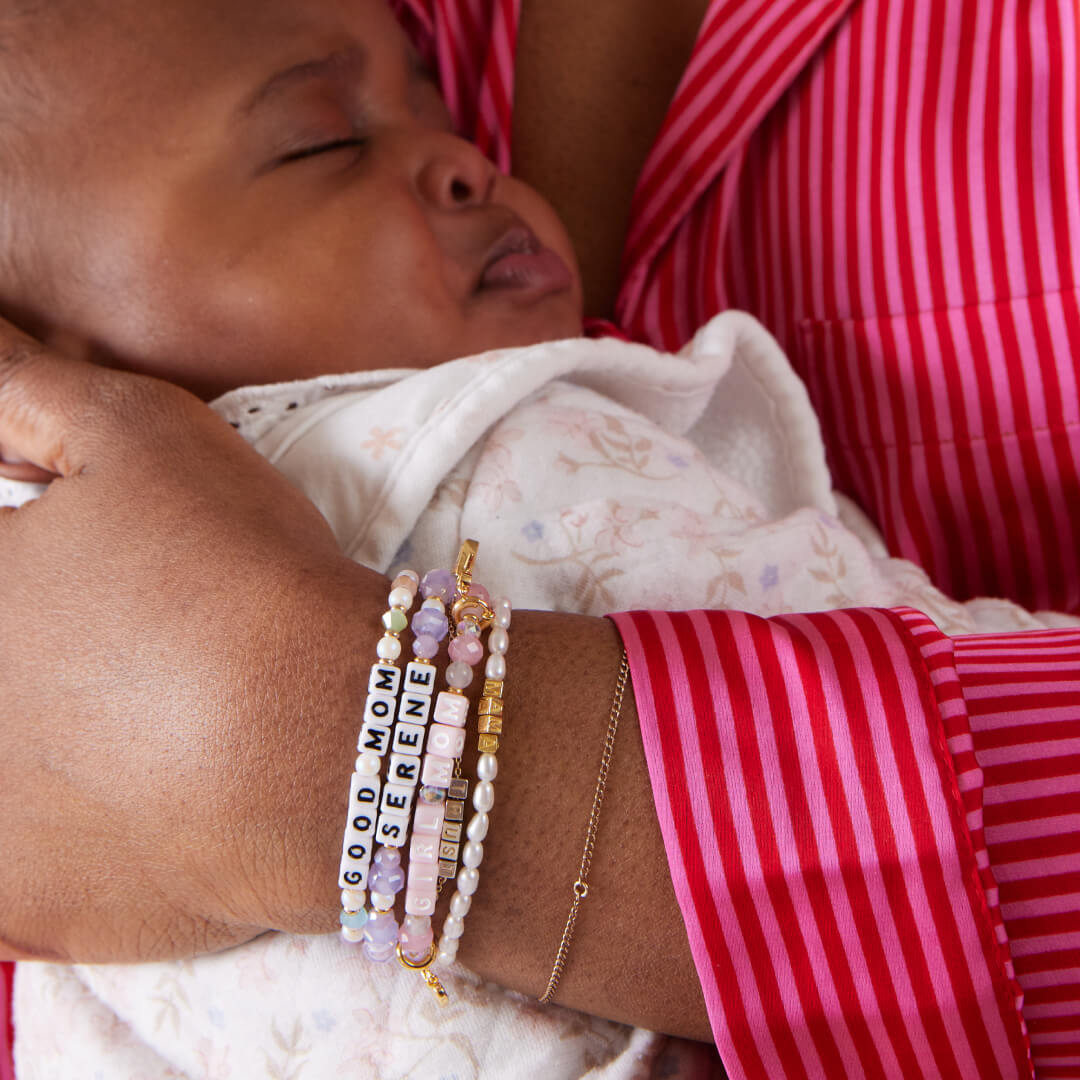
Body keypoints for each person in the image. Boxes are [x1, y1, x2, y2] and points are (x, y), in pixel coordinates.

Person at [0, 0, 1078, 1077]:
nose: (469, 158)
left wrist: (330, 747)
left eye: (425, 109)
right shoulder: (540, 457)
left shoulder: (530, 459)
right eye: (322, 142)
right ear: (40, 355)